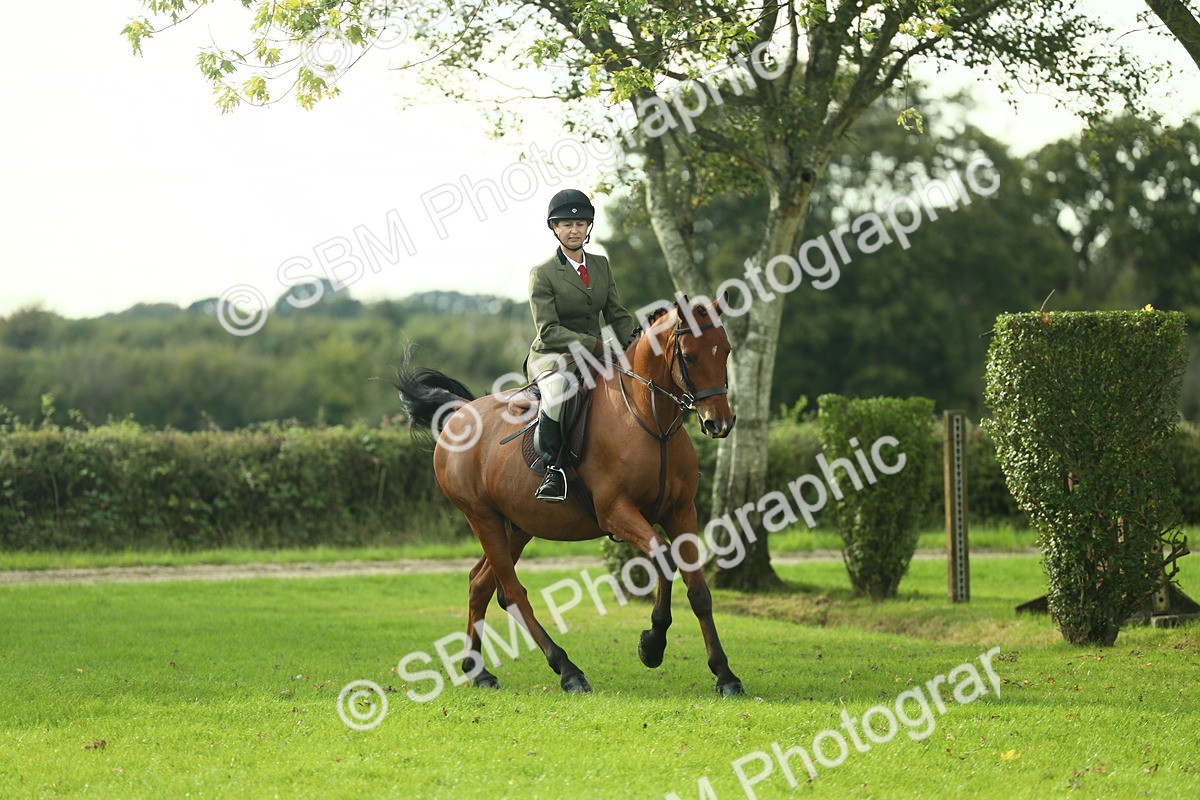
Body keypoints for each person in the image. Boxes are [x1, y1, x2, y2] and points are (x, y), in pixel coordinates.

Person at [525, 189, 638, 502]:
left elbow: (617, 314)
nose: (573, 230)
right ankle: (553, 470)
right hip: (554, 357)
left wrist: (635, 347)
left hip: (599, 354)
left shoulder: (601, 265)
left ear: (588, 227)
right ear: (555, 229)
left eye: (579, 223)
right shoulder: (544, 274)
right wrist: (597, 344)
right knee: (558, 391)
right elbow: (548, 331)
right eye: (565, 224)